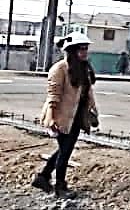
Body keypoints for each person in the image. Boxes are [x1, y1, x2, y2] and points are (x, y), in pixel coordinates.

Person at [33, 33, 99, 198]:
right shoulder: (60, 69)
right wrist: (53, 118)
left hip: (76, 117)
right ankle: (60, 187)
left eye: (86, 48)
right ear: (71, 50)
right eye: (81, 49)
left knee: (64, 150)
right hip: (62, 116)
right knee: (65, 152)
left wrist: (93, 112)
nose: (85, 52)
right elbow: (53, 96)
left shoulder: (83, 68)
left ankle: (43, 177)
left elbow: (87, 93)